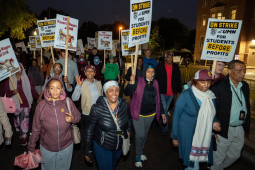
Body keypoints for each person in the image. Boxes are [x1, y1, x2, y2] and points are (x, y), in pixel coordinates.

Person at [171, 69, 221, 170]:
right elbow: (176, 116)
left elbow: (213, 115)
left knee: (195, 163)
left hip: (203, 135)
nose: (206, 85)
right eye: (203, 81)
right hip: (187, 134)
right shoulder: (186, 95)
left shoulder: (210, 96)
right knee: (192, 164)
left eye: (209, 82)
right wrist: (175, 136)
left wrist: (215, 122)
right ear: (195, 81)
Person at [28, 77, 81, 170]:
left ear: (62, 90)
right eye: (52, 88)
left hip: (66, 146)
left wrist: (73, 118)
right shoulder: (41, 106)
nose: (55, 91)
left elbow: (78, 117)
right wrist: (31, 146)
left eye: (58, 87)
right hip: (47, 147)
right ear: (48, 90)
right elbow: (36, 128)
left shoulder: (68, 102)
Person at [124, 63, 166, 167]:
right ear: (144, 72)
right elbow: (126, 92)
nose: (150, 74)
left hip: (150, 114)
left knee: (145, 134)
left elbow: (158, 98)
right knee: (140, 135)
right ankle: (138, 155)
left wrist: (163, 112)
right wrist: (130, 83)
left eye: (152, 72)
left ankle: (141, 150)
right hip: (138, 113)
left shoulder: (155, 82)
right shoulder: (138, 81)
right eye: (148, 71)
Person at [210, 60, 250, 170]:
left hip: (240, 128)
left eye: (244, 71)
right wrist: (214, 128)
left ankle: (215, 168)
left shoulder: (245, 86)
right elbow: (211, 108)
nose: (243, 74)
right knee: (218, 157)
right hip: (224, 128)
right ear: (229, 71)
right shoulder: (218, 87)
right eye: (239, 71)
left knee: (235, 155)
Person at [84, 81, 132, 170]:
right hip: (103, 146)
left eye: (116, 90)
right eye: (110, 91)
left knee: (112, 166)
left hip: (119, 146)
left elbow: (129, 119)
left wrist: (129, 132)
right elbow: (89, 130)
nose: (114, 93)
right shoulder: (96, 108)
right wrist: (88, 150)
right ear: (105, 93)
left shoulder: (124, 105)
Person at [5, 64, 39, 146]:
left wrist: (39, 97)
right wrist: (13, 92)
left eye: (20, 68)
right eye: (17, 68)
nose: (19, 69)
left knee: (24, 120)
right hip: (15, 103)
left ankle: (24, 137)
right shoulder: (10, 80)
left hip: (25, 103)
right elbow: (6, 91)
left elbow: (32, 90)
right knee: (18, 119)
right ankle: (19, 129)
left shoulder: (28, 79)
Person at [155, 51, 182, 135]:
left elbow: (178, 80)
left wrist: (178, 91)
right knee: (165, 109)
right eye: (168, 57)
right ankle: (165, 128)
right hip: (162, 92)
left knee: (164, 109)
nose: (169, 59)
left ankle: (160, 119)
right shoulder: (160, 67)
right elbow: (155, 78)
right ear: (165, 58)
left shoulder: (176, 67)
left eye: (171, 57)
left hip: (171, 93)